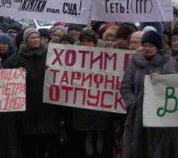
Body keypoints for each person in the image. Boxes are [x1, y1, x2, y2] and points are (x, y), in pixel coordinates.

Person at [120, 30, 178, 158]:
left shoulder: (169, 62)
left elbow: (174, 88)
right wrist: (132, 104)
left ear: (157, 46)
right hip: (137, 118)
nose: (147, 48)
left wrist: (162, 79)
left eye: (151, 46)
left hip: (160, 120)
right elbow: (125, 86)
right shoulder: (134, 61)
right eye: (145, 45)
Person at [4, 29, 59, 157]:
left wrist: (54, 70)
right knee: (28, 145)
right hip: (26, 111)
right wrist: (15, 73)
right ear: (25, 41)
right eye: (32, 37)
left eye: (37, 37)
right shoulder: (16, 58)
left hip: (46, 109)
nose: (35, 40)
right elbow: (3, 75)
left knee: (46, 144)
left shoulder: (50, 56)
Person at [72, 30, 114, 158]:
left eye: (88, 41)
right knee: (88, 133)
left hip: (99, 101)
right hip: (83, 101)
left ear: (94, 43)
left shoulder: (104, 56)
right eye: (83, 41)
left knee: (99, 132)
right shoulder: (74, 55)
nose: (85, 43)